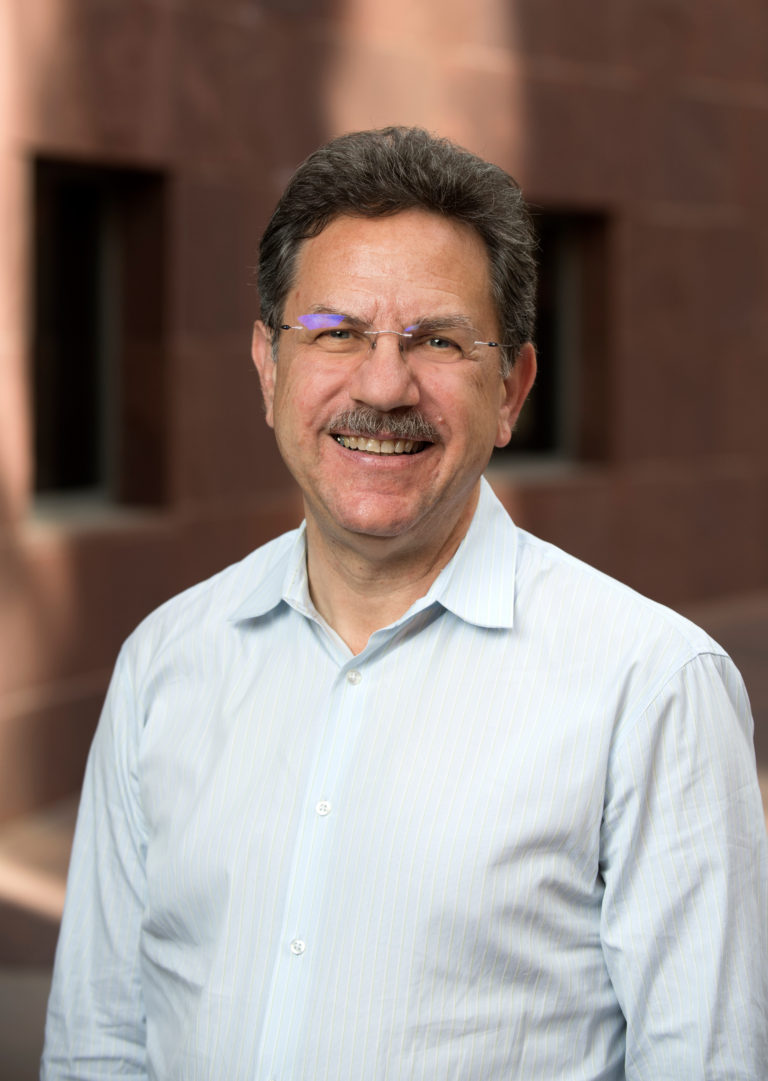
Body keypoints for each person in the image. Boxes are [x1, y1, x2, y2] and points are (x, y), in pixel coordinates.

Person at [42, 127, 767, 1080]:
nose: (384, 385)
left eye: (438, 339)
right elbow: (99, 1039)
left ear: (511, 388)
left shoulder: (652, 686)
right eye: (336, 331)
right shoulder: (165, 663)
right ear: (269, 368)